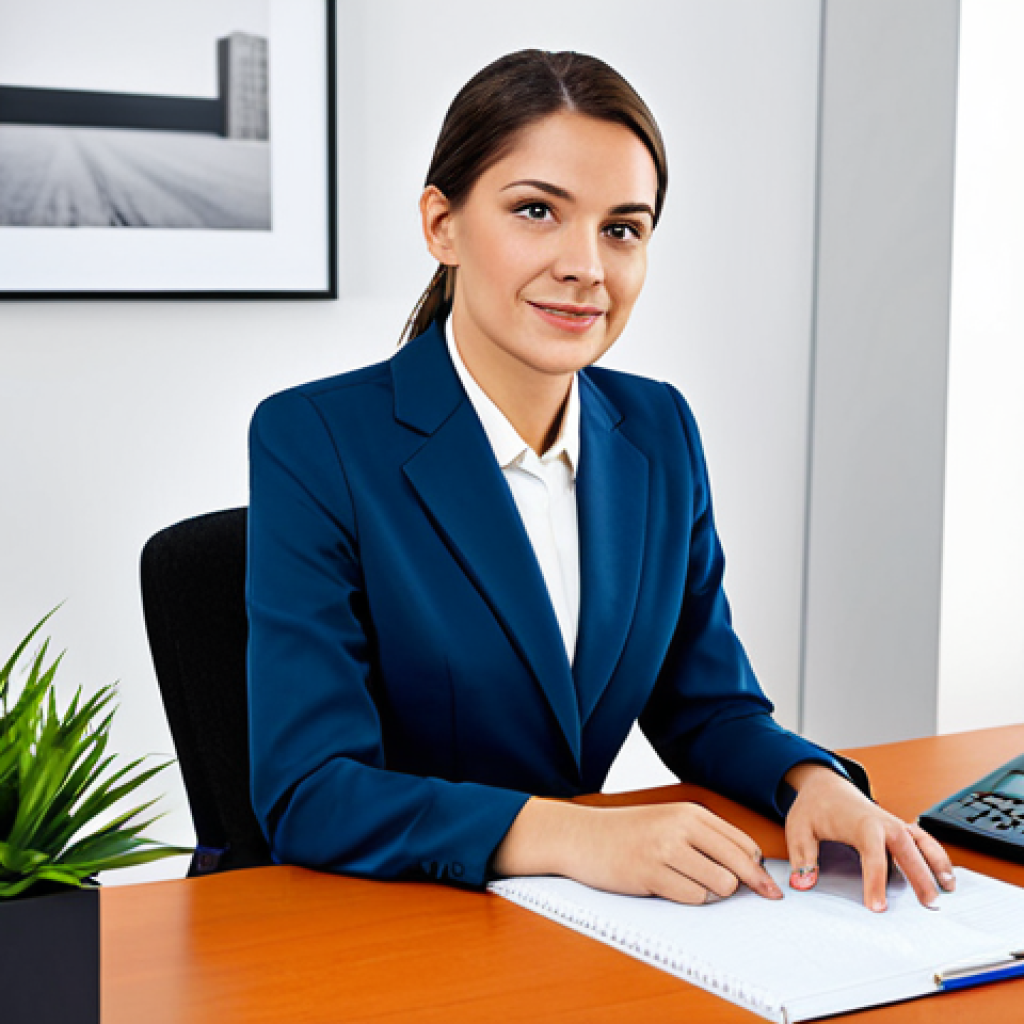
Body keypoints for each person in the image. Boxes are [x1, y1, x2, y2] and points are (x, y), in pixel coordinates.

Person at [247, 49, 953, 911]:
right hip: (393, 924)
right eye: (538, 211)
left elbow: (708, 707)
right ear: (442, 225)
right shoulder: (315, 439)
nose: (587, 266)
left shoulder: (658, 431)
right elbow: (309, 792)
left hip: (586, 926)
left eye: (622, 228)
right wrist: (577, 834)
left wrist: (814, 782)